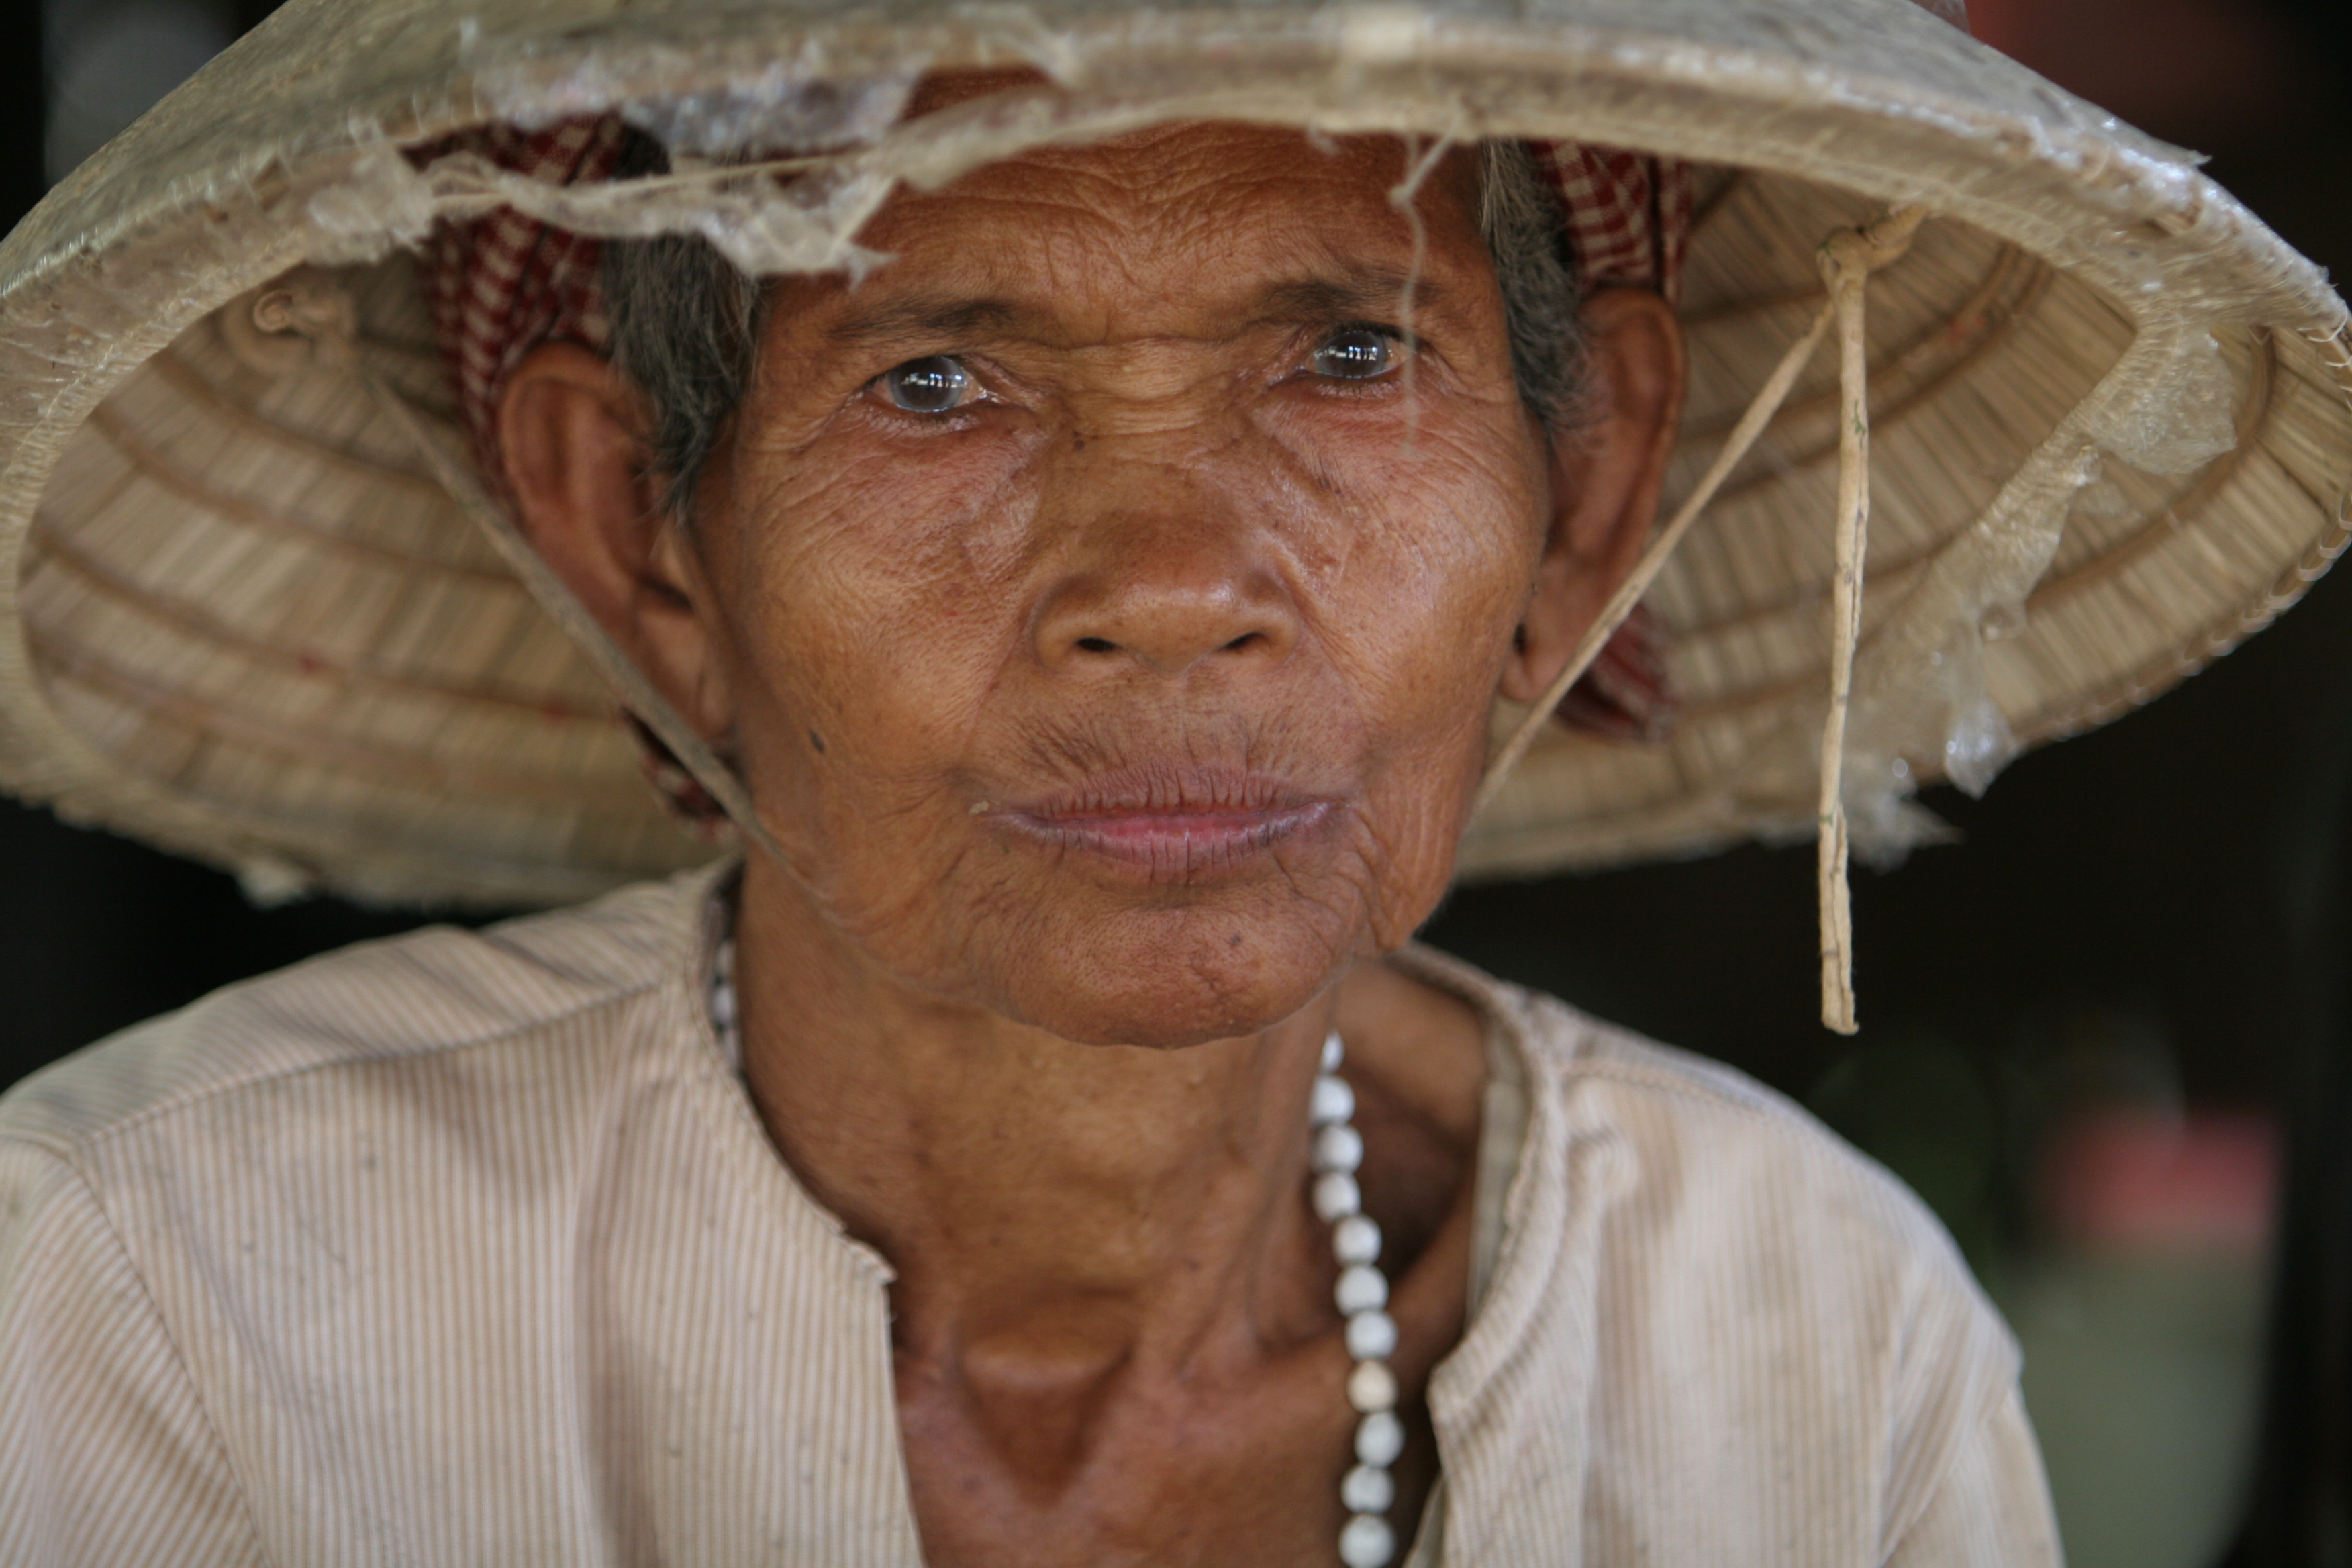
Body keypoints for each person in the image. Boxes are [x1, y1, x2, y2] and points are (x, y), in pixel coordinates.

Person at [1, 0, 2345, 1563]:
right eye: (935, 382)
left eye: (1345, 353)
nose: (1169, 583)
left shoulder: (1810, 1346)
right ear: (645, 539)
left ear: (1592, 494)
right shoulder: (162, 1300)